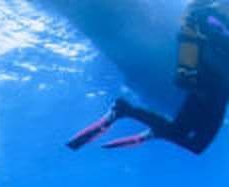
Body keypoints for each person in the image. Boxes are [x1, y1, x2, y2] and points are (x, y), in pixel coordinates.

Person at [67, 0, 229, 154]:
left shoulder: (209, 12)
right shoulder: (215, 13)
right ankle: (139, 120)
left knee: (185, 136)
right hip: (213, 84)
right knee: (196, 144)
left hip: (208, 81)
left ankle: (128, 113)